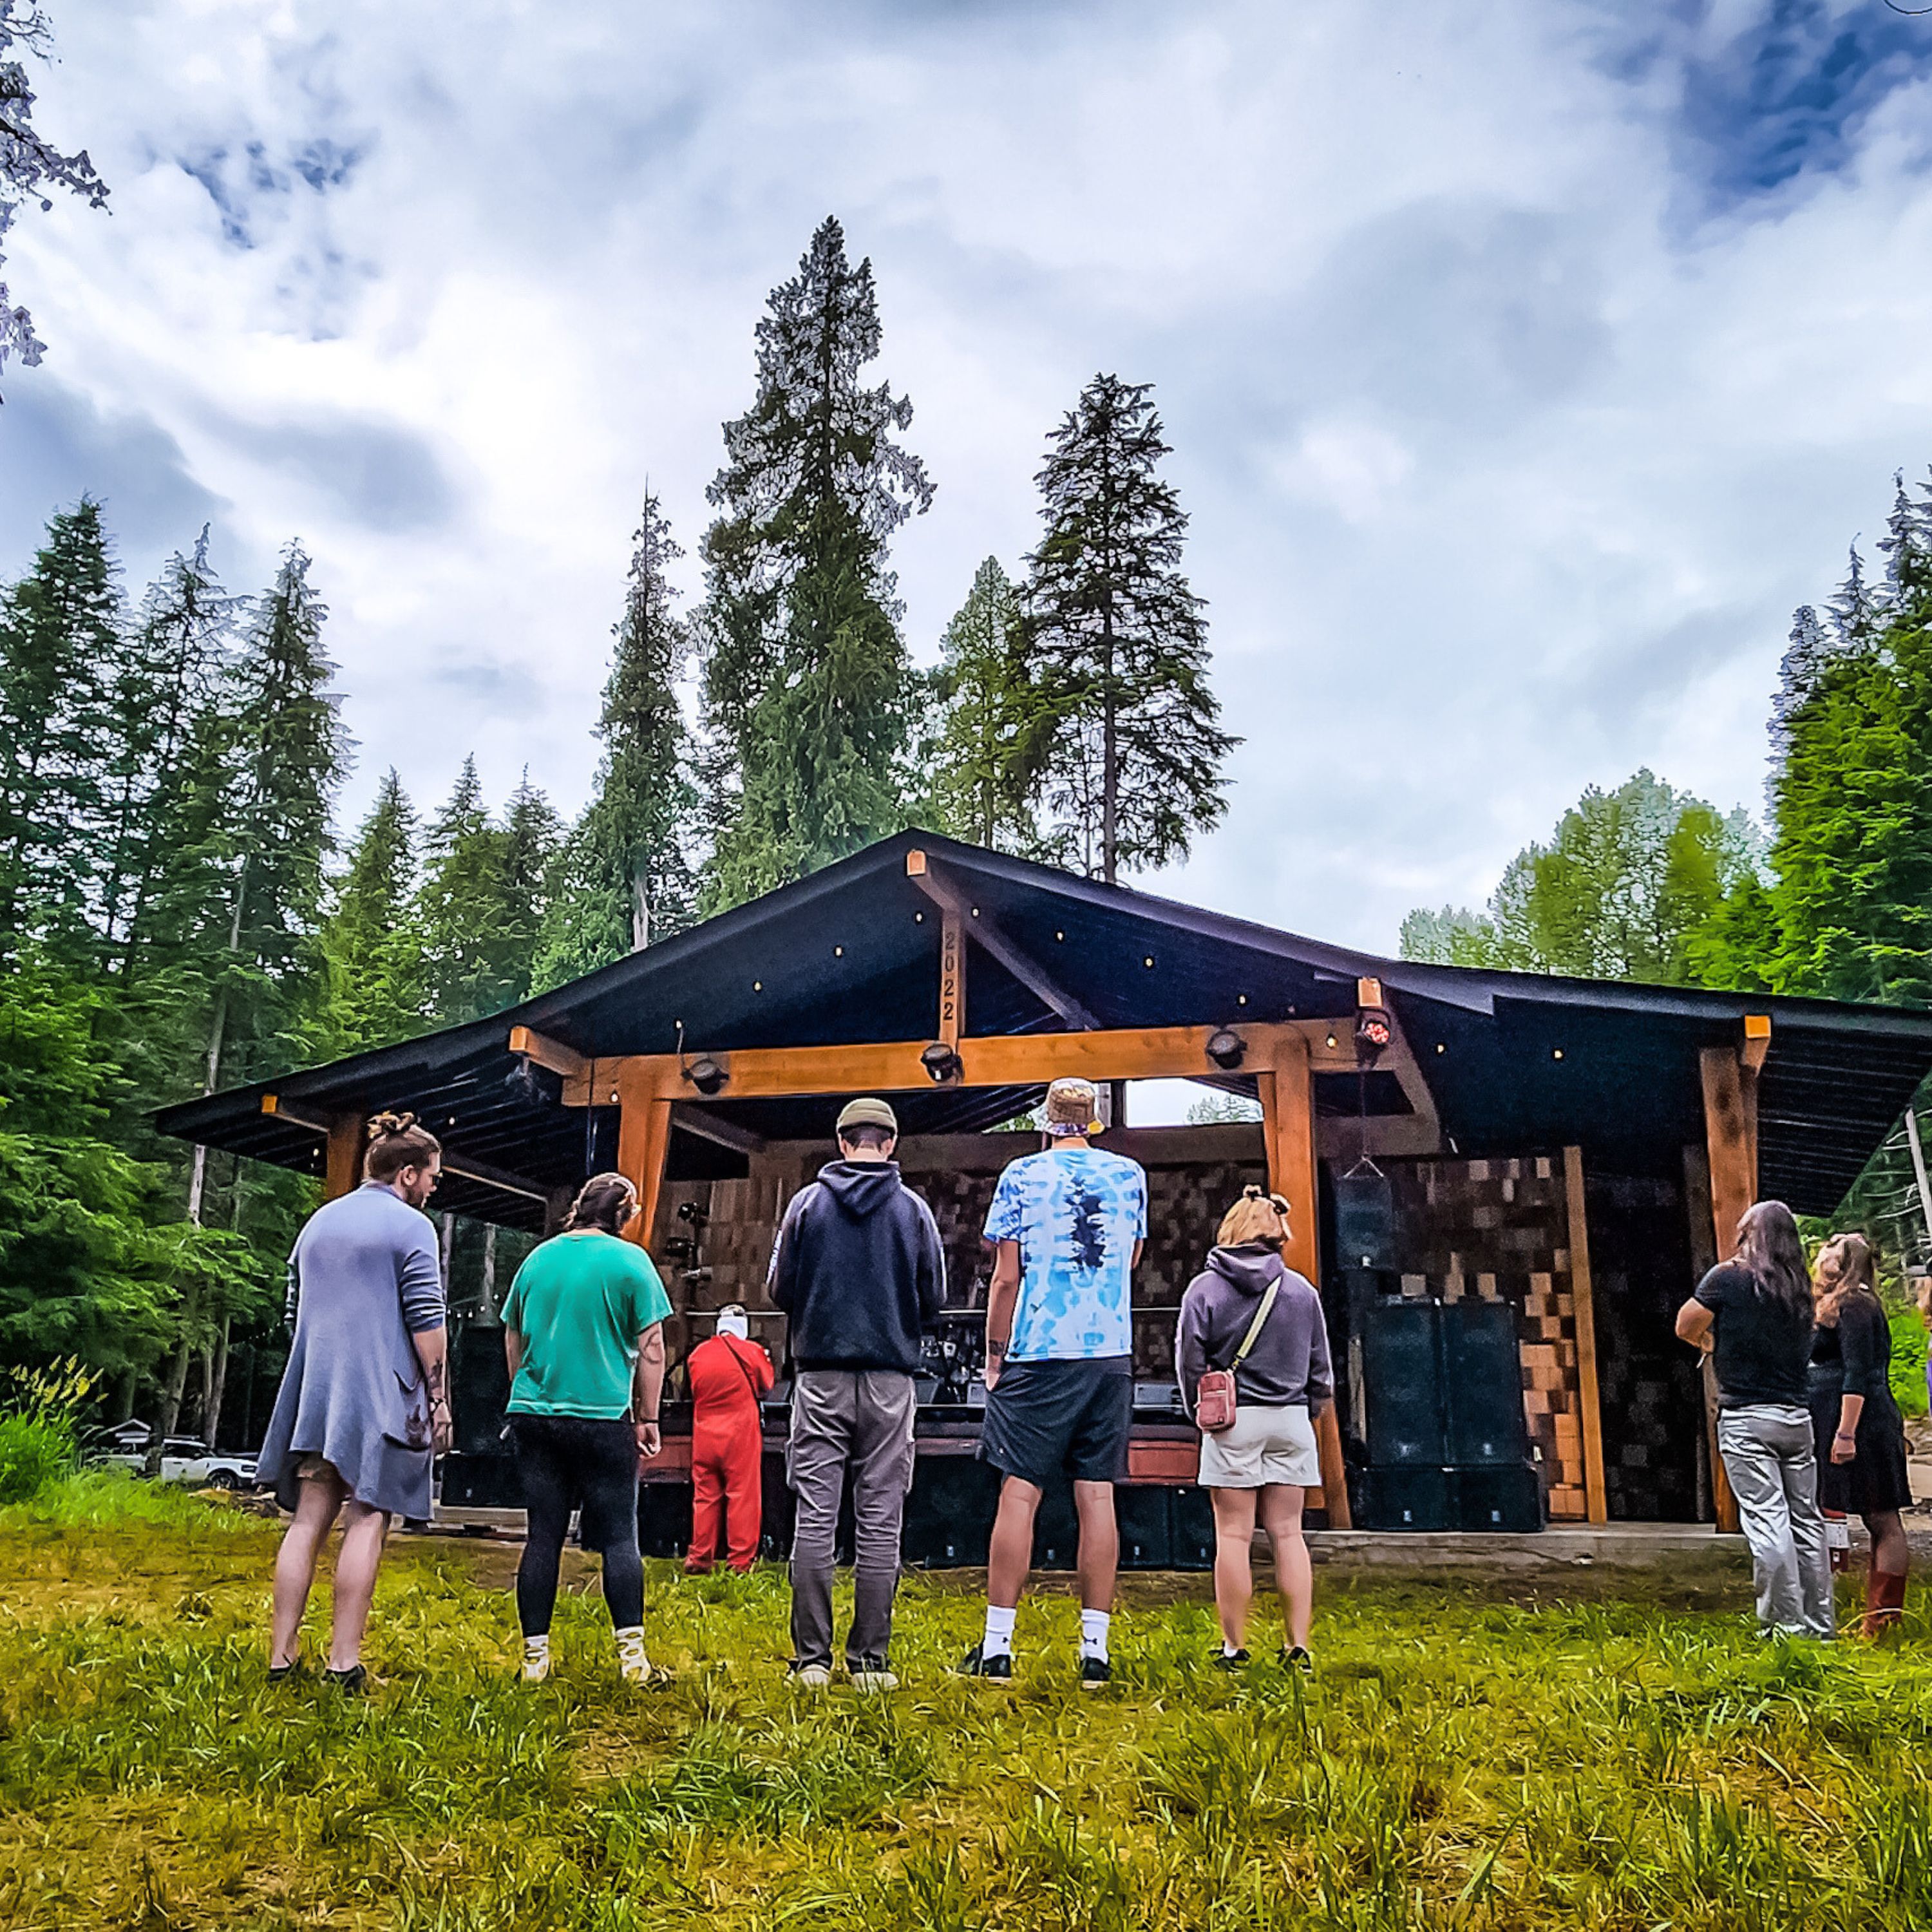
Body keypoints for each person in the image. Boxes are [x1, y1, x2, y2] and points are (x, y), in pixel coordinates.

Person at [958, 1076, 1147, 1689]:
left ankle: (996, 1647)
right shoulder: (1130, 1176)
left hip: (1040, 1350)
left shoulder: (1021, 1175)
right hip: (1109, 1350)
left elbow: (1006, 1276)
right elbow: (1132, 1260)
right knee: (1098, 1495)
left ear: (1046, 1120)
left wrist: (994, 1354)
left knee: (1020, 1492)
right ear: (1093, 1122)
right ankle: (1095, 1649)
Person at [260, 1112, 451, 1692]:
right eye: (434, 1178)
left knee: (307, 1520)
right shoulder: (411, 1227)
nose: (435, 1188)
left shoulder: (319, 1222)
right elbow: (426, 1318)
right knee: (368, 1517)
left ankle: (282, 1656)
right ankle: (344, 1662)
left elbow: (295, 1314)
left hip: (316, 1393)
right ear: (408, 1174)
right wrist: (439, 1396)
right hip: (381, 1395)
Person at [768, 1097, 945, 1690]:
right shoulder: (914, 1210)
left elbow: (779, 1287)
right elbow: (934, 1298)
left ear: (842, 1142)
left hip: (819, 1377)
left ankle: (812, 1661)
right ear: (890, 1143)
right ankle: (870, 1662)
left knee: (816, 1517)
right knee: (880, 1519)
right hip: (892, 1381)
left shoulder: (805, 1206)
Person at [502, 1171, 671, 1685]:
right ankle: (633, 1662)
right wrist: (648, 1416)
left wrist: (526, 1391)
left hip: (535, 1412)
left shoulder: (538, 1258)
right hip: (600, 1416)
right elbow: (654, 1349)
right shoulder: (631, 1263)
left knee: (543, 1537)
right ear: (624, 1212)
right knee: (621, 1536)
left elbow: (513, 1334)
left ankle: (534, 1661)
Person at [1176, 1186, 1332, 1671]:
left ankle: (1234, 1647)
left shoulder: (1204, 1289)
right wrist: (1313, 1409)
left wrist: (1198, 1412)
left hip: (1233, 1423)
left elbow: (1189, 1363)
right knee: (1289, 1534)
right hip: (1290, 1419)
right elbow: (1320, 1366)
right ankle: (1298, 1647)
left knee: (1234, 1537)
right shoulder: (1302, 1291)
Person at [1675, 1200, 1832, 1640]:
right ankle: (1820, 1625)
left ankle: (1784, 1627)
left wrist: (1709, 1344)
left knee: (1768, 1520)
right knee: (1806, 1519)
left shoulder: (1727, 1277)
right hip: (1796, 1416)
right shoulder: (1801, 1288)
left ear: (1749, 1234)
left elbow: (1685, 1324)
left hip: (1747, 1416)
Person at [1808, 1232, 1912, 1638]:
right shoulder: (1842, 1303)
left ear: (1845, 1262)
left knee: (1882, 1516)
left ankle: (1883, 1620)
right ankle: (1875, 1618)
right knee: (1874, 1515)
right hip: (1850, 1421)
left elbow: (1858, 1373)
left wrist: (1846, 1433)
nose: (1820, 1256)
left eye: (1828, 1251)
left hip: (1865, 1426)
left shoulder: (1855, 1305)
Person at [684, 1305, 774, 1575]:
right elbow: (767, 1385)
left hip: (705, 1435)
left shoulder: (697, 1355)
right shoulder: (751, 1352)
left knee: (705, 1497)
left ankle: (700, 1557)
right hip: (739, 1436)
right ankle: (740, 1563)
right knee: (742, 1497)